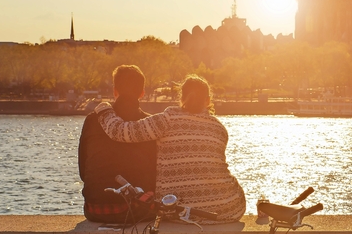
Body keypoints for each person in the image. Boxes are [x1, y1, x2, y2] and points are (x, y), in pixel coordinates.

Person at [94, 75, 245, 223]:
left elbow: (120, 132)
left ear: (181, 98)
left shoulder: (167, 119)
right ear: (208, 101)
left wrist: (104, 109)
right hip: (225, 208)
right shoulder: (219, 128)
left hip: (176, 209)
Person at [78, 65, 157, 223]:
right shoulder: (149, 124)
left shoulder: (93, 120)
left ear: (115, 91)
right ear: (142, 93)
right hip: (138, 208)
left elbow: (82, 170)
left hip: (95, 208)